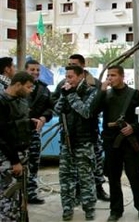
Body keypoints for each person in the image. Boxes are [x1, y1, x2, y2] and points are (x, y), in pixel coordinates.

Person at [52, 54, 109, 202]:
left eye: (75, 64)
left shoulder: (93, 84)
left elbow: (92, 109)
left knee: (93, 165)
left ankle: (98, 190)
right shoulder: (63, 84)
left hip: (89, 131)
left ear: (83, 67)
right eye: (69, 63)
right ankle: (77, 195)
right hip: (70, 132)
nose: (71, 66)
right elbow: (55, 103)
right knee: (71, 170)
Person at [98, 65, 139, 221]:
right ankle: (116, 210)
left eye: (113, 75)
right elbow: (93, 110)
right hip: (112, 143)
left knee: (134, 176)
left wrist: (132, 127)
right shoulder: (106, 95)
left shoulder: (134, 95)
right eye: (108, 75)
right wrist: (101, 91)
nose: (110, 78)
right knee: (113, 178)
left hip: (130, 143)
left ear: (122, 76)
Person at [54, 65, 98, 221]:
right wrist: (63, 95)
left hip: (84, 142)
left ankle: (89, 209)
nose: (68, 80)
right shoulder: (66, 91)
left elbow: (86, 112)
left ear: (81, 77)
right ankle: (67, 208)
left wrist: (72, 95)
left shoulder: (92, 92)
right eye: (66, 77)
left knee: (85, 178)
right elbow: (57, 110)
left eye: (71, 77)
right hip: (67, 141)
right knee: (65, 177)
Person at [0, 71, 35, 221]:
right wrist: (14, 161)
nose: (30, 90)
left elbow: (19, 124)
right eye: (28, 87)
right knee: (7, 198)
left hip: (22, 154)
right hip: (7, 157)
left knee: (21, 197)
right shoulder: (1, 102)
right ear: (18, 85)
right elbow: (2, 136)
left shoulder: (21, 100)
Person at [24, 60, 53, 204]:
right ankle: (18, 193)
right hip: (19, 133)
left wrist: (43, 117)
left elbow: (50, 107)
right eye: (32, 69)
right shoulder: (18, 86)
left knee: (33, 164)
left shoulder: (44, 89)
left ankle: (31, 193)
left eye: (37, 70)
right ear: (25, 70)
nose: (35, 72)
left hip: (34, 133)